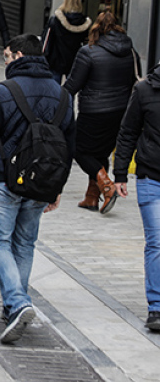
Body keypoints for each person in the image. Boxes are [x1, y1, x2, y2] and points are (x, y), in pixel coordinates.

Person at [0, 34, 75, 344]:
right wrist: (57, 186)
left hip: (4, 179)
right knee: (24, 243)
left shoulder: (3, 91)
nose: (5, 61)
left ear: (19, 55)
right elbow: (69, 145)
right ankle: (13, 306)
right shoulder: (63, 95)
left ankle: (18, 302)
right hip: (42, 181)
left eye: (6, 56)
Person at [63, 12, 140, 213]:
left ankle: (106, 186)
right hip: (120, 111)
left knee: (79, 151)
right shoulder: (130, 51)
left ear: (96, 27)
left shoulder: (88, 51)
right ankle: (91, 197)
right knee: (101, 153)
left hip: (93, 111)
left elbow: (73, 84)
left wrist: (59, 100)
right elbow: (134, 82)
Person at [113, 60, 160, 332]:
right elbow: (128, 131)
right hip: (151, 176)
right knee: (156, 242)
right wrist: (120, 173)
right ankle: (156, 307)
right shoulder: (144, 91)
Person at [42, 0, 92, 84]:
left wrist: (43, 57)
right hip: (74, 61)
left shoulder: (55, 20)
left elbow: (46, 41)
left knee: (54, 89)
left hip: (55, 60)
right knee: (70, 89)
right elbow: (86, 43)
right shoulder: (84, 23)